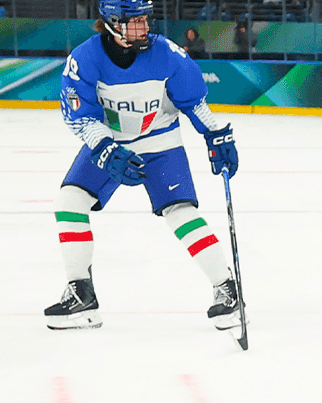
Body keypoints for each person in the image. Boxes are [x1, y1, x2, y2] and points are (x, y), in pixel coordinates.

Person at [46, 0, 241, 333]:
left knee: (180, 211)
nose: (145, 27)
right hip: (111, 141)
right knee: (69, 201)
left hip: (160, 140)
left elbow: (193, 102)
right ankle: (81, 294)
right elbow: (81, 117)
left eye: (145, 19)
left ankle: (226, 287)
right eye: (135, 21)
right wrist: (106, 149)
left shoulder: (166, 52)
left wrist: (215, 133)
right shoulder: (84, 58)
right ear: (112, 23)